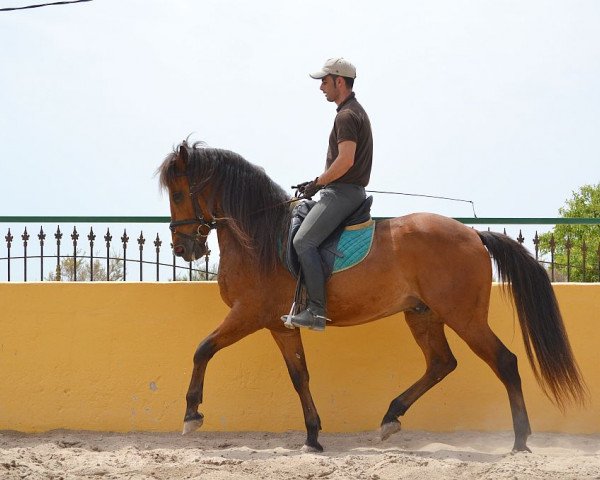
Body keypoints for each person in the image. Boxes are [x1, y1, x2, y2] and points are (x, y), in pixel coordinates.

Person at [290, 57, 373, 331]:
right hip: (345, 190)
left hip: (342, 193)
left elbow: (346, 160)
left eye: (324, 81)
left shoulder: (347, 116)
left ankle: (316, 310)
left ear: (340, 81)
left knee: (303, 241)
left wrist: (317, 182)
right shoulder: (353, 112)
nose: (321, 87)